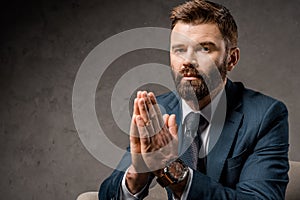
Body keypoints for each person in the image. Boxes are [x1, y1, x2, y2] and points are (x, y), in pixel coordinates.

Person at [99, 0, 289, 199]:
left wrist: (176, 174)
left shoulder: (265, 115)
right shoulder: (159, 110)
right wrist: (138, 171)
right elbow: (108, 195)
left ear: (231, 59)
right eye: (179, 50)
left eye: (204, 49)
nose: (188, 61)